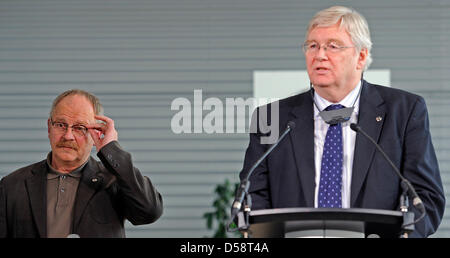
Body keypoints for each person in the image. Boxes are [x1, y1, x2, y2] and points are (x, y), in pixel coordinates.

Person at [238, 6, 445, 237]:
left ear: (361, 56)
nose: (319, 55)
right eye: (312, 46)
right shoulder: (273, 118)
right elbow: (252, 197)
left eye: (333, 46)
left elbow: (426, 198)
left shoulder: (404, 111)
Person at [0, 89, 163, 238]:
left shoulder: (112, 181)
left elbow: (149, 212)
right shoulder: (11, 185)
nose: (68, 136)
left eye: (80, 128)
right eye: (61, 125)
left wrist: (111, 149)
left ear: (96, 135)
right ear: (49, 127)